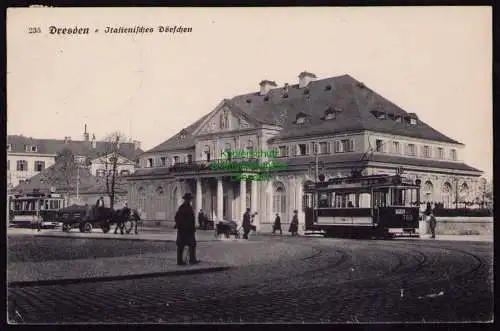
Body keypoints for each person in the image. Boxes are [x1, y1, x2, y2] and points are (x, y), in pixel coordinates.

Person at [175, 193, 200, 265]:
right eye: (188, 199)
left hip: (189, 230)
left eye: (190, 199)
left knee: (192, 244)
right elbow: (177, 218)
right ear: (185, 199)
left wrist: (193, 228)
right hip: (183, 230)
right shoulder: (182, 207)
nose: (189, 200)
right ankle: (179, 261)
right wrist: (181, 226)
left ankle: (192, 259)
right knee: (181, 246)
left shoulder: (189, 207)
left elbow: (191, 219)